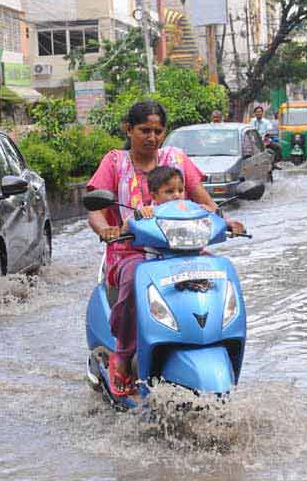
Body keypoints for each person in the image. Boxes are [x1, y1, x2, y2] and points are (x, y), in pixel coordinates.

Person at [87, 100, 245, 397]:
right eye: (144, 130)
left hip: (185, 251)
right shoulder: (114, 162)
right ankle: (123, 353)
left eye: (158, 130)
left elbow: (206, 204)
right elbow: (95, 209)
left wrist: (226, 221)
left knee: (218, 275)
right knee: (133, 279)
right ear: (129, 129)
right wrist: (105, 229)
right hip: (131, 252)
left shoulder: (176, 159)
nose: (152, 137)